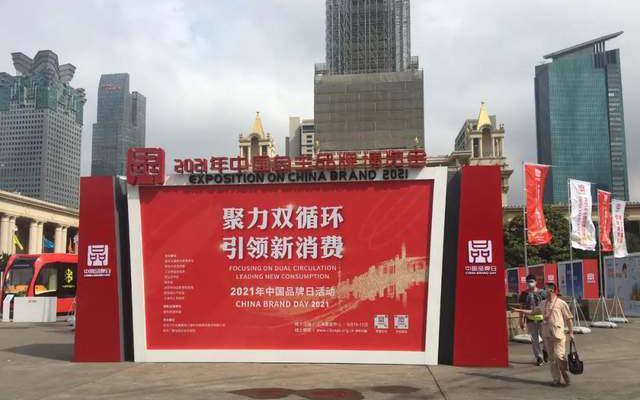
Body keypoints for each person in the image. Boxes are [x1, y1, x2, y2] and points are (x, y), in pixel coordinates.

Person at [513, 283, 574, 387]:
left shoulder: (561, 303)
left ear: (552, 290)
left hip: (558, 333)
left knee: (559, 356)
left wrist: (571, 333)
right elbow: (533, 312)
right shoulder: (542, 303)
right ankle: (556, 380)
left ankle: (564, 372)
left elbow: (569, 319)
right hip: (546, 334)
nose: (544, 291)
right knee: (552, 358)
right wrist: (519, 310)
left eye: (545, 289)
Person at [517, 274, 547, 366]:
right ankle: (539, 357)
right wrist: (521, 320)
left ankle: (546, 351)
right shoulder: (524, 294)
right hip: (530, 320)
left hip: (542, 320)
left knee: (545, 338)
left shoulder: (542, 293)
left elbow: (548, 305)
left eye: (532, 281)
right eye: (528, 281)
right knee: (534, 340)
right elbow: (521, 308)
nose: (530, 283)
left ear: (535, 282)